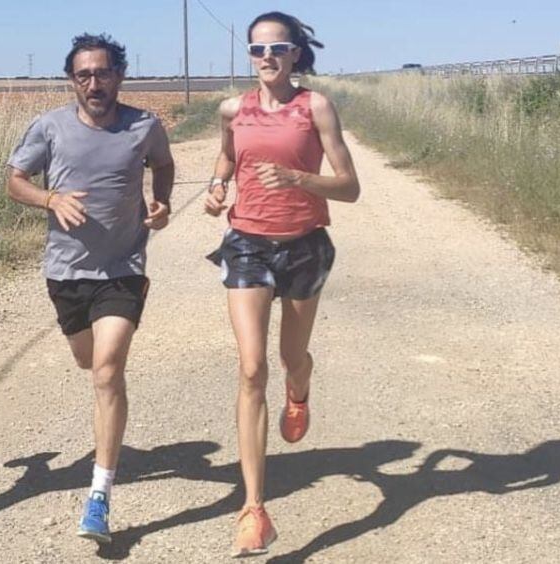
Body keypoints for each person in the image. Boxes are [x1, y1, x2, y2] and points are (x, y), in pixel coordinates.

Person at [5, 33, 175, 544]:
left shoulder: (144, 126)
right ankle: (103, 473)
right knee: (87, 360)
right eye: (84, 75)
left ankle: (99, 495)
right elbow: (15, 180)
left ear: (120, 75)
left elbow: (163, 165)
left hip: (122, 269)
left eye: (103, 73)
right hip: (67, 273)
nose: (94, 83)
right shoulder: (51, 127)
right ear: (72, 80)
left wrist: (160, 202)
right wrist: (50, 198)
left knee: (106, 370)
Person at [203, 11, 360, 557]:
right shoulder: (233, 109)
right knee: (251, 367)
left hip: (304, 244)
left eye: (277, 48)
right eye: (257, 49)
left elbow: (349, 186)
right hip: (246, 241)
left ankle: (300, 389)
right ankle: (254, 509)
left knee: (293, 356)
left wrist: (298, 178)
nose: (266, 57)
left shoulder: (314, 106)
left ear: (296, 55)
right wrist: (217, 187)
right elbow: (226, 155)